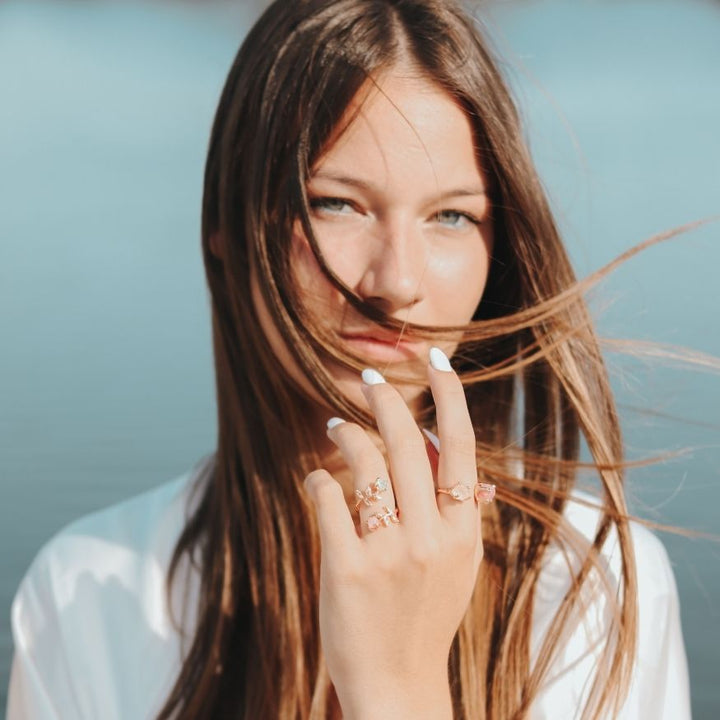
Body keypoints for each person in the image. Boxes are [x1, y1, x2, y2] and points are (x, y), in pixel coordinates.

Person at [6, 0, 691, 718]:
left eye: (452, 216)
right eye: (338, 204)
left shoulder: (596, 587)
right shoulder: (85, 599)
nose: (395, 282)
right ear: (228, 225)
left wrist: (396, 691)